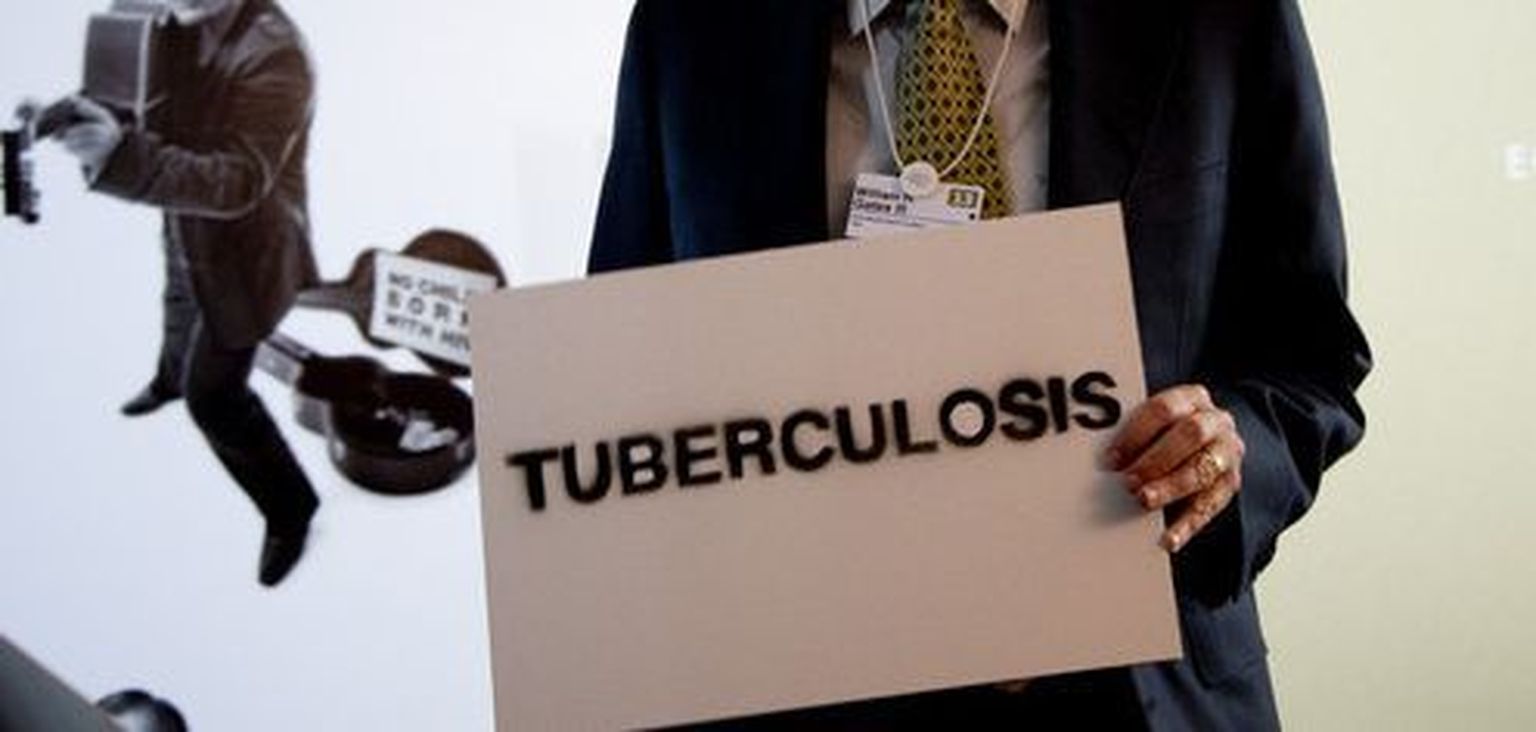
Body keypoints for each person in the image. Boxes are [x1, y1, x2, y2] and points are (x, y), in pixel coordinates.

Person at [588, 0, 1371, 729]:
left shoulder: (1215, 16)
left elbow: (1313, 354)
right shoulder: (690, 27)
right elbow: (624, 369)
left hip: (1136, 688)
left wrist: (1224, 453)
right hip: (794, 682)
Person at [50, 0, 320, 587]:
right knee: (178, 299)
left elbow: (239, 182)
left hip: (252, 255)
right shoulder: (151, 14)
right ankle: (169, 378)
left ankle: (291, 510)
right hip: (186, 219)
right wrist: (65, 116)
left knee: (215, 398)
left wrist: (118, 155)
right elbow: (128, 92)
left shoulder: (278, 56)